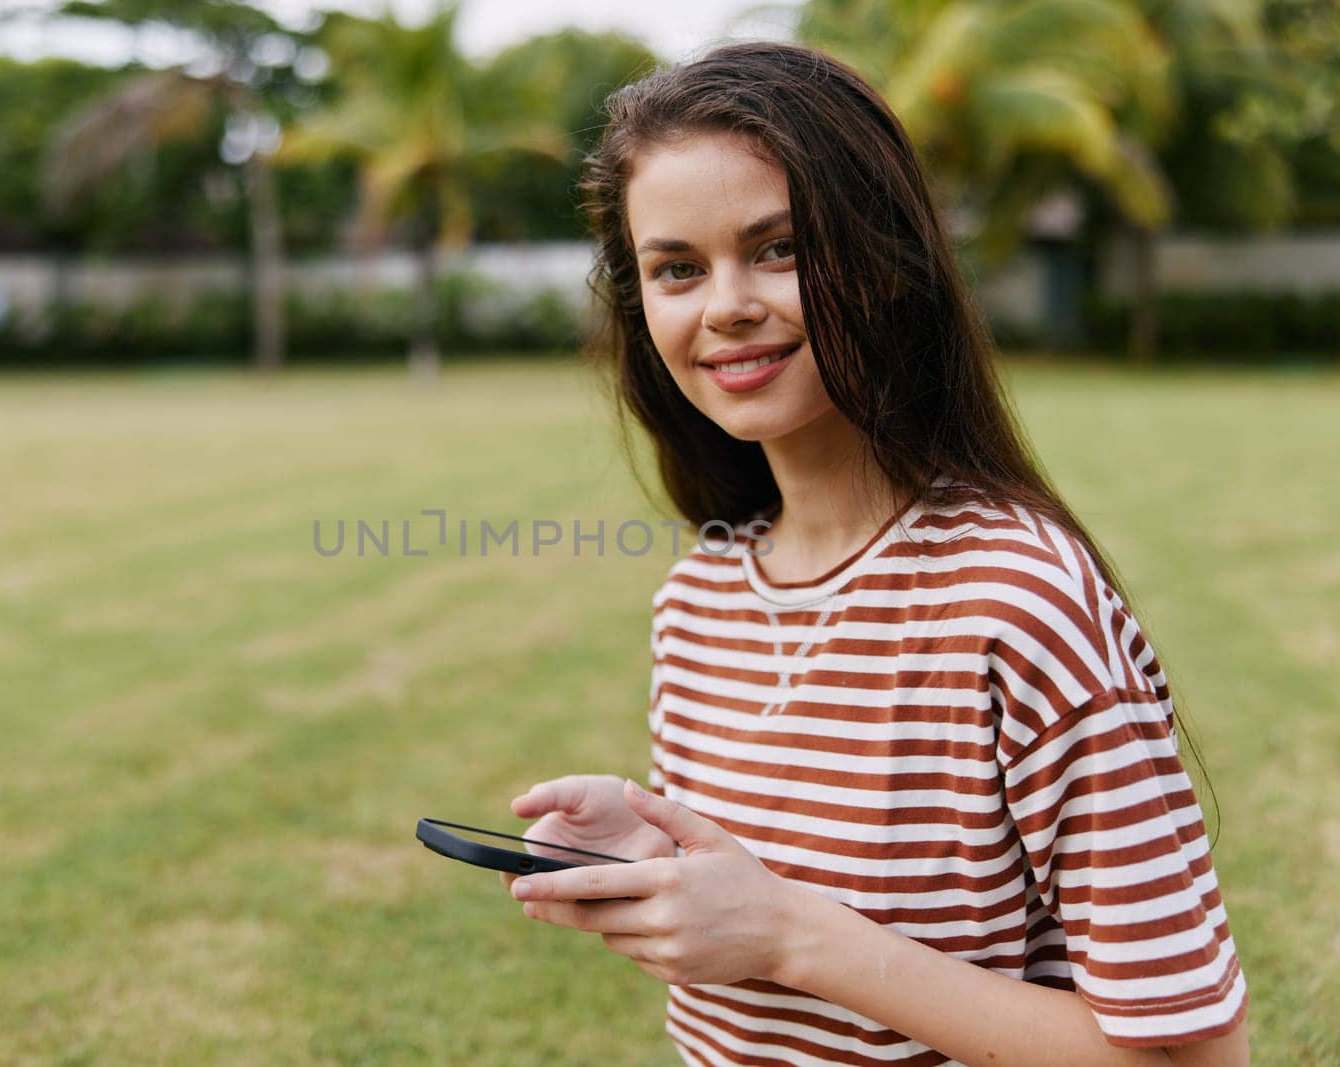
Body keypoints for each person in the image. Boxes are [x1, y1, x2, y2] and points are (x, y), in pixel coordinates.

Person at [498, 41, 1250, 1067]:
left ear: (887, 260)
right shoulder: (699, 598)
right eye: (676, 268)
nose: (724, 305)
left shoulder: (1016, 599)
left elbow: (1194, 1053)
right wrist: (659, 859)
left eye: (779, 248)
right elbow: (773, 902)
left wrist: (789, 932)